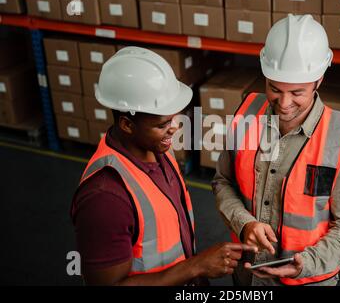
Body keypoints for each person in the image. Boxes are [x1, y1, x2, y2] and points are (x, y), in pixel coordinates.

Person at [71, 47, 256, 286]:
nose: (175, 127)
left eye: (175, 117)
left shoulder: (157, 149)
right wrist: (197, 265)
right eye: (163, 123)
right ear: (127, 124)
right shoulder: (105, 197)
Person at [212, 14, 340, 286]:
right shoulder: (247, 114)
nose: (283, 103)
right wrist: (244, 223)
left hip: (307, 281)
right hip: (246, 275)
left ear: (319, 80)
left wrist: (305, 264)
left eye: (297, 92)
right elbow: (223, 181)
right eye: (274, 88)